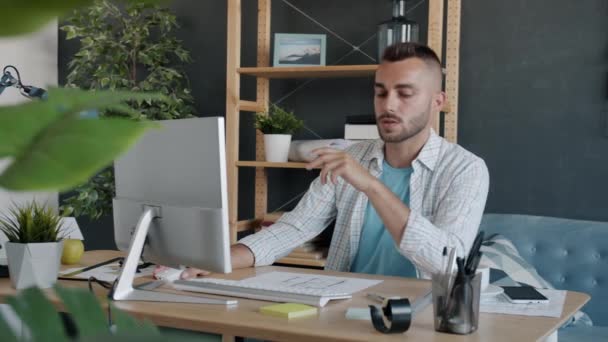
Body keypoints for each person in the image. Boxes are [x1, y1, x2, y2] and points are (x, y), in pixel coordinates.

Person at [157, 42, 489, 281]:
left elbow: (450, 263)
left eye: (405, 94)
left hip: (424, 317)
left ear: (438, 101)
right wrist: (223, 259)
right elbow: (293, 229)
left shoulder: (465, 169)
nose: (389, 105)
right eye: (380, 92)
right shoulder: (351, 159)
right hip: (346, 306)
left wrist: (372, 186)